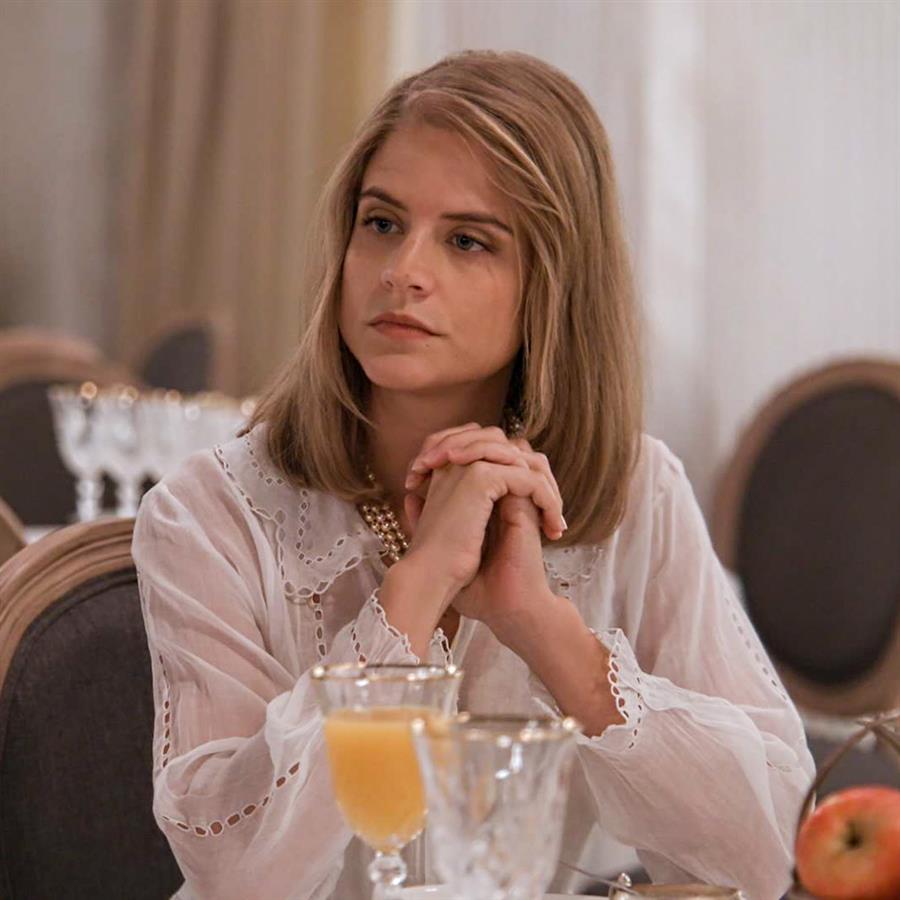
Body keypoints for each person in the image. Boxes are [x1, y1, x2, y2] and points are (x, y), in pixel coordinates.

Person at [133, 49, 815, 900]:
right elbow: (238, 876)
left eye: (466, 240)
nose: (402, 271)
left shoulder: (638, 492)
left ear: (553, 285)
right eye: (382, 223)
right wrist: (416, 589)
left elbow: (772, 856)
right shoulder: (207, 514)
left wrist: (544, 628)